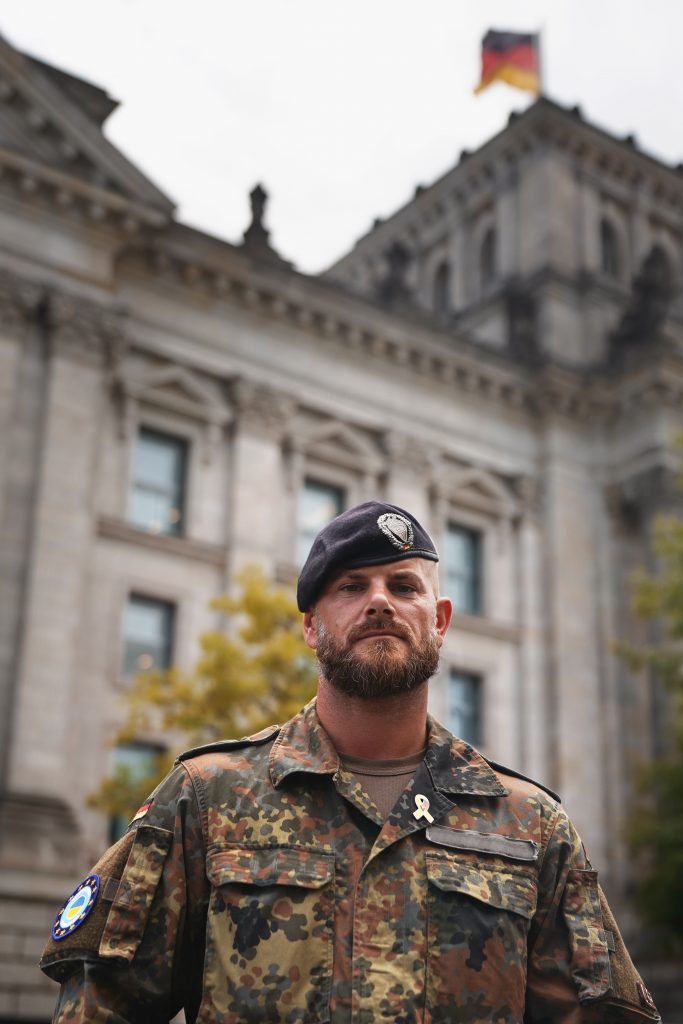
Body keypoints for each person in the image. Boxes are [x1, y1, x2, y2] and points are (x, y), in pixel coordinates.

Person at [41, 501, 660, 1023]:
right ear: (312, 627)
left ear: (439, 622)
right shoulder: (206, 798)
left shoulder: (532, 825)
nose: (380, 602)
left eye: (404, 585)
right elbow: (102, 1001)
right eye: (351, 587)